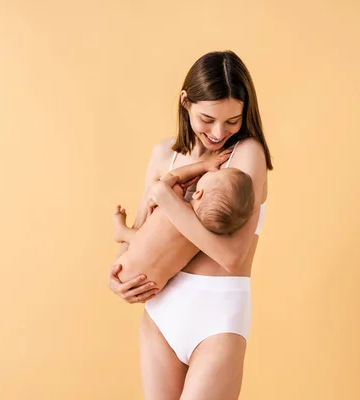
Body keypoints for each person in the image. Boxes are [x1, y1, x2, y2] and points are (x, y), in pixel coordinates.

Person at [108, 50, 273, 400]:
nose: (218, 132)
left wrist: (168, 199)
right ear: (186, 102)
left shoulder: (246, 154)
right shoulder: (163, 154)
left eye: (232, 121)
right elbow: (135, 239)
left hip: (217, 314)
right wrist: (118, 278)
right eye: (207, 118)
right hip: (161, 313)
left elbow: (231, 255)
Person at [112, 147, 255, 293]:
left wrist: (203, 165)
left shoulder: (174, 198)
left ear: (198, 193)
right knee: (152, 243)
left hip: (125, 270)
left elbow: (172, 176)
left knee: (146, 239)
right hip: (151, 286)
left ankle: (122, 232)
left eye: (215, 174)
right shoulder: (202, 240)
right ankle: (123, 233)